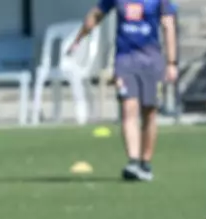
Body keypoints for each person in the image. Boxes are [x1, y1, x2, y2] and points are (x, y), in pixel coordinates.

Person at [69, 0, 178, 182]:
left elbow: (168, 25)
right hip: (125, 60)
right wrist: (78, 39)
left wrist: (171, 63)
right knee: (129, 108)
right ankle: (133, 162)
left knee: (149, 113)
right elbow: (96, 15)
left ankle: (145, 162)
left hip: (151, 60)